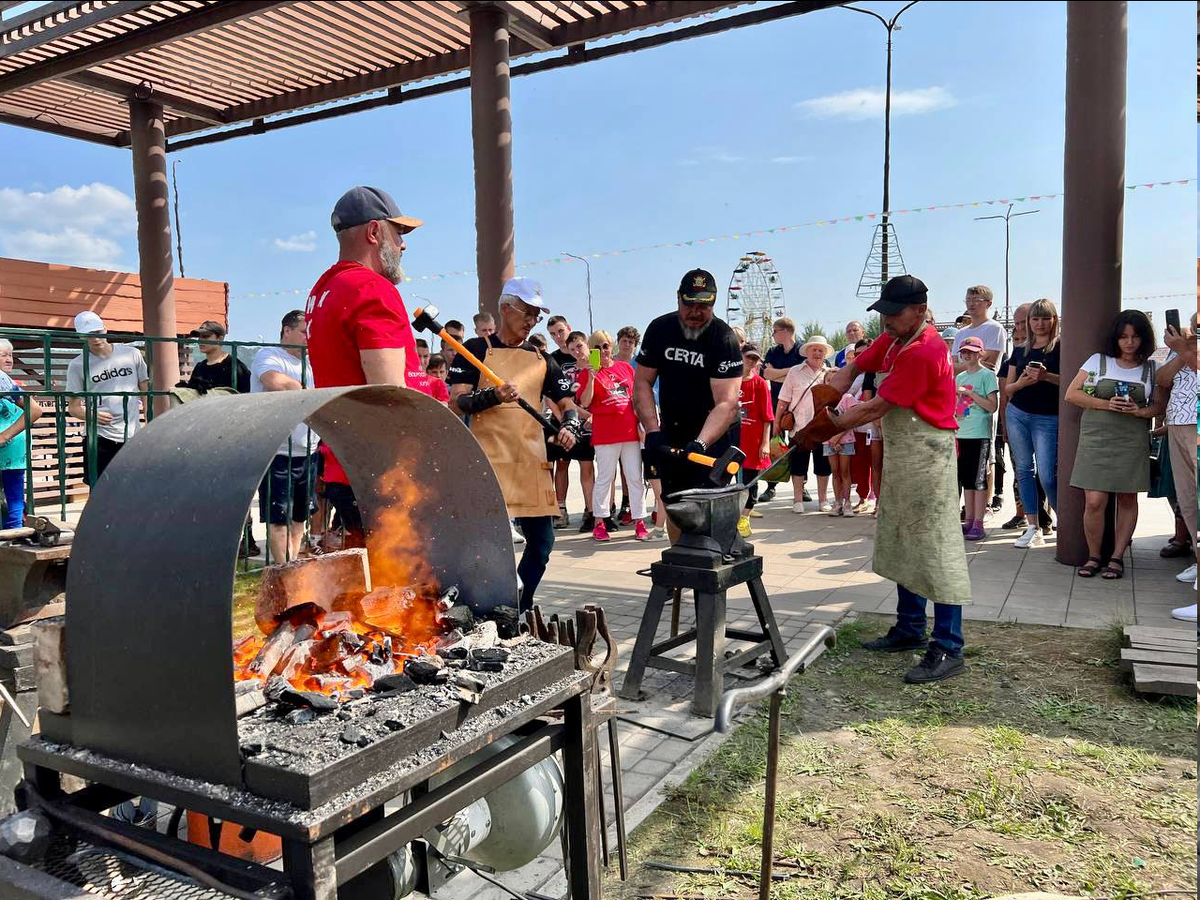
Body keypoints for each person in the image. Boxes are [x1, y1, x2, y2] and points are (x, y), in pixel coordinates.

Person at [826, 275, 971, 684]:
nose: (886, 320)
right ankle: (909, 628)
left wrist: (826, 426)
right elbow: (861, 362)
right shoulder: (893, 338)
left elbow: (876, 408)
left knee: (935, 549)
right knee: (904, 539)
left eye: (895, 312)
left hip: (929, 455)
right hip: (903, 455)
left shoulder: (925, 351)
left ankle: (948, 646)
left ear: (921, 312)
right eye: (884, 312)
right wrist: (839, 378)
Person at [305, 185, 430, 545]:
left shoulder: (323, 289)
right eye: (399, 233)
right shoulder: (372, 289)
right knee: (401, 591)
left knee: (367, 583)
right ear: (375, 232)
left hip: (342, 465)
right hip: (382, 476)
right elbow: (389, 397)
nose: (404, 245)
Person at [447, 278, 581, 608]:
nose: (531, 320)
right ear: (506, 308)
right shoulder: (475, 351)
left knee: (542, 543)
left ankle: (519, 605)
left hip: (530, 462)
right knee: (483, 545)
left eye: (536, 315)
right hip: (487, 462)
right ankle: (479, 605)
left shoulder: (541, 358)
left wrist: (570, 426)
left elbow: (568, 403)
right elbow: (456, 401)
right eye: (527, 312)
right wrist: (493, 395)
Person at [634, 269, 742, 539]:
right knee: (675, 505)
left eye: (704, 306)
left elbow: (727, 403)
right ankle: (680, 564)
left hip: (711, 437)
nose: (696, 312)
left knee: (708, 510)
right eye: (689, 304)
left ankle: (709, 568)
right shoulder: (660, 329)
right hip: (672, 431)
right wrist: (653, 429)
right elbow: (642, 383)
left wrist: (701, 443)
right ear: (678, 298)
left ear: (714, 303)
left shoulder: (723, 338)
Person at [1064, 310, 1164, 579]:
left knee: (1127, 497)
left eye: (1135, 337)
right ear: (1115, 338)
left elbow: (1159, 406)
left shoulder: (1152, 369)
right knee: (1094, 501)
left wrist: (1139, 411)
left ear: (1144, 339)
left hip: (1132, 439)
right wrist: (1106, 403)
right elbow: (1072, 394)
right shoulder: (1098, 361)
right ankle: (1094, 555)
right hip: (1096, 438)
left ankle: (1117, 556)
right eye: (1123, 337)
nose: (1129, 342)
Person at [251, 311, 318, 563]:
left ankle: (292, 565)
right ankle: (283, 568)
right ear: (286, 331)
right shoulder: (268, 356)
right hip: (277, 451)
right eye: (304, 331)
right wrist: (309, 393)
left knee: (299, 517)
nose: (308, 337)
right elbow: (275, 382)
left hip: (308, 450)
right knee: (278, 518)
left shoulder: (313, 362)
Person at [576, 330, 648, 542]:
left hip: (630, 433)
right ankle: (599, 521)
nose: (603, 351)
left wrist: (642, 424)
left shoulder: (625, 367)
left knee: (635, 477)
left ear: (611, 347)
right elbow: (586, 402)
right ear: (591, 351)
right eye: (597, 348)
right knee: (605, 479)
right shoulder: (586, 373)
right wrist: (591, 376)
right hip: (605, 435)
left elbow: (635, 397)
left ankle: (640, 520)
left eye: (605, 346)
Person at [1003, 299, 1061, 549]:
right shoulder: (1020, 349)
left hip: (1048, 417)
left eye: (1045, 318)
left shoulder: (1061, 347)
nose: (1040, 324)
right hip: (1018, 413)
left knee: (1048, 475)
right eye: (1035, 319)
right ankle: (1032, 526)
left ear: (1054, 320)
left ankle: (1065, 521)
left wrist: (1046, 376)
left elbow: (1072, 381)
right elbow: (1008, 388)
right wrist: (1024, 382)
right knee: (1024, 471)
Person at [66, 312, 149, 484]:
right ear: (82, 336)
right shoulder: (77, 365)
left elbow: (145, 390)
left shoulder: (132, 354)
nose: (95, 339)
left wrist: (149, 419)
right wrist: (91, 415)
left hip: (132, 433)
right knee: (99, 489)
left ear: (105, 329)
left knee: (133, 484)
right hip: (99, 435)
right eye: (89, 335)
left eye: (97, 332)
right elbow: (73, 407)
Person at [1156, 312, 1197, 602]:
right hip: (1177, 425)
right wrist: (1183, 350)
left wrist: (1185, 350)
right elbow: (1162, 379)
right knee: (1187, 498)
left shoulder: (1186, 349)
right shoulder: (1183, 349)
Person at [776, 335, 835, 513]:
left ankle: (823, 500)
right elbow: (783, 400)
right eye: (814, 350)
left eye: (821, 350)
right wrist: (777, 423)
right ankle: (797, 499)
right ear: (807, 352)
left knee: (823, 466)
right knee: (798, 464)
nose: (817, 353)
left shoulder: (830, 373)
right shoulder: (795, 371)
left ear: (825, 354)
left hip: (822, 427)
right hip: (799, 426)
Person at [954, 337, 1000, 542]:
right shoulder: (960, 377)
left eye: (971, 351)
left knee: (979, 481)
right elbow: (960, 407)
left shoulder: (987, 375)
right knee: (967, 481)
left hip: (979, 435)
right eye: (964, 351)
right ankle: (969, 520)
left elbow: (992, 406)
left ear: (980, 353)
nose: (967, 354)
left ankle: (979, 522)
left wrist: (971, 395)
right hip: (961, 433)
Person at [0, 341, 44, 529]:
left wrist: (4, 436)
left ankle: (10, 545)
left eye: (10, 355)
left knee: (14, 499)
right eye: (3, 355)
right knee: (14, 498)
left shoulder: (2, 379)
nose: (9, 359)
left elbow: (34, 410)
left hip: (8, 448)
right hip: (13, 447)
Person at [760, 317, 802, 503]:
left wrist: (779, 373)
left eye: (774, 331)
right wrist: (790, 372)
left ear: (784, 331)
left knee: (798, 445)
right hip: (776, 404)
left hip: (798, 406)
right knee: (775, 444)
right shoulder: (772, 352)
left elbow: (802, 376)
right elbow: (766, 374)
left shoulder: (802, 350)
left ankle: (801, 488)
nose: (773, 335)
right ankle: (771, 485)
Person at [735, 342, 773, 537]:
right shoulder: (730, 380)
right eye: (748, 356)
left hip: (754, 440)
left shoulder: (759, 384)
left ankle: (744, 518)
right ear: (741, 355)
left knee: (751, 481)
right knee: (733, 480)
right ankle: (734, 515)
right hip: (733, 440)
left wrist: (765, 443)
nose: (751, 361)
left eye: (755, 358)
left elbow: (767, 417)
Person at [546, 315, 580, 528]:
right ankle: (558, 509)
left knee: (586, 467)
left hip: (585, 420)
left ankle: (594, 511)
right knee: (556, 465)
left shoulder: (583, 352)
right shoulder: (551, 359)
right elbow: (549, 396)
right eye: (552, 334)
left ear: (568, 328)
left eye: (560, 331)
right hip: (560, 419)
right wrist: (563, 421)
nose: (557, 337)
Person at [844, 340, 877, 512]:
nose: (862, 356)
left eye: (866, 352)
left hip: (876, 426)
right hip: (857, 427)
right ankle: (863, 497)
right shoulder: (853, 375)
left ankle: (878, 499)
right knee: (860, 465)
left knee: (877, 464)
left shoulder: (877, 372)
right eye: (858, 354)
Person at [951, 286, 1006, 373]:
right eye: (968, 300)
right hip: (960, 385)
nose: (971, 303)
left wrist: (960, 366)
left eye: (976, 300)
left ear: (988, 303)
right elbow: (952, 367)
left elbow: (989, 364)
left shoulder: (995, 328)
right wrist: (977, 363)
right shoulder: (960, 333)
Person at [186, 320, 250, 393]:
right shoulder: (199, 367)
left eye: (205, 336)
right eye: (199, 337)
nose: (200, 340)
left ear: (219, 338)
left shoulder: (235, 366)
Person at [824, 389, 859, 517]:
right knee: (835, 472)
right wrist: (832, 441)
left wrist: (837, 438)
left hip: (846, 439)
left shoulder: (847, 398)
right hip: (828, 441)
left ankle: (847, 502)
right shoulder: (823, 400)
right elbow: (821, 424)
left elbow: (853, 419)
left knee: (845, 471)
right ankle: (837, 502)